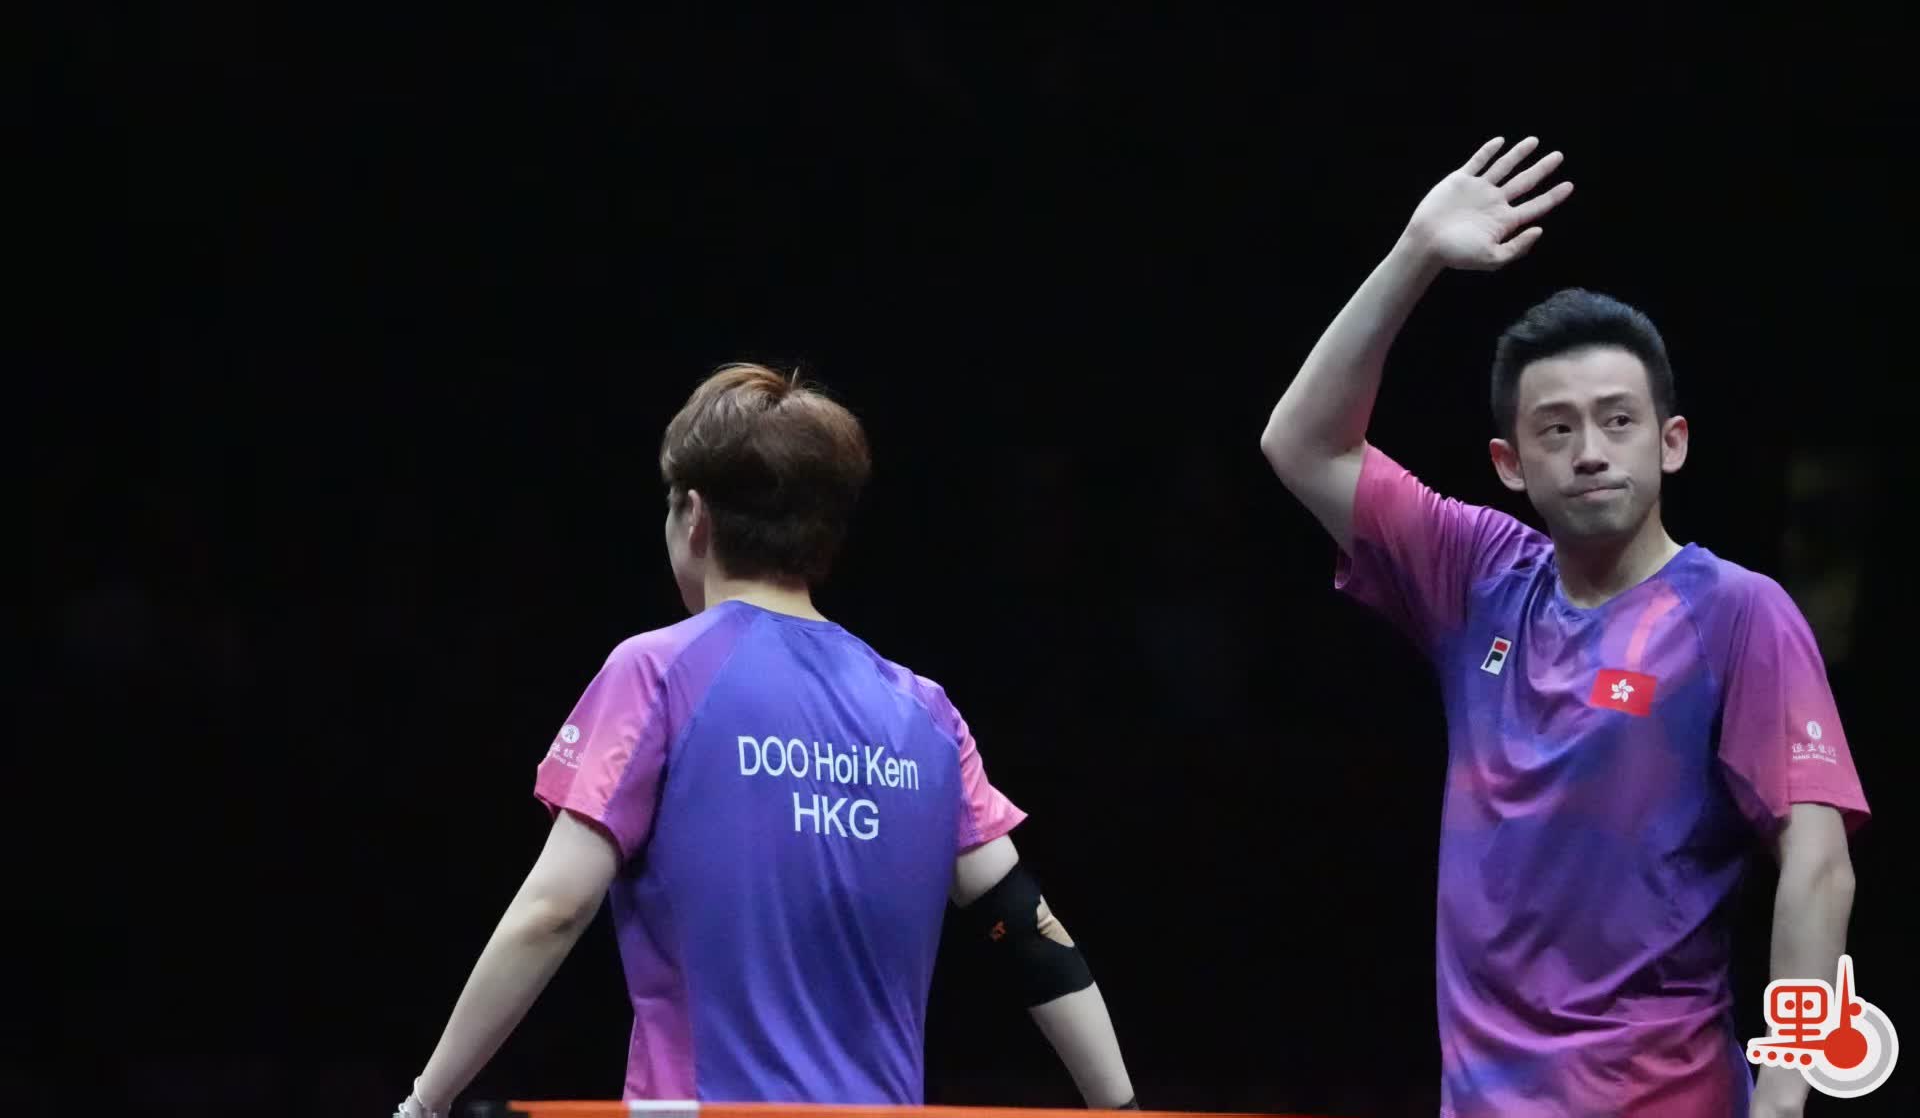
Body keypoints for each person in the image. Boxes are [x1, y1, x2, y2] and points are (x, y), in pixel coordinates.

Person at [1258, 137, 1869, 1117]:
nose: (1590, 451)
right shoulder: (1478, 576)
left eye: (1618, 420)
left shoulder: (1738, 611)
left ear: (1671, 442)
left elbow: (1818, 860)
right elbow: (1301, 443)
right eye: (1557, 428)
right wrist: (1417, 251)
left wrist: (1785, 1092)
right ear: (1511, 462)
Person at [394, 364, 1137, 1116]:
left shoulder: (658, 671)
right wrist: (1122, 1111)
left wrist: (426, 1101)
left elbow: (553, 909)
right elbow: (1027, 931)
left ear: (694, 515)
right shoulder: (926, 713)